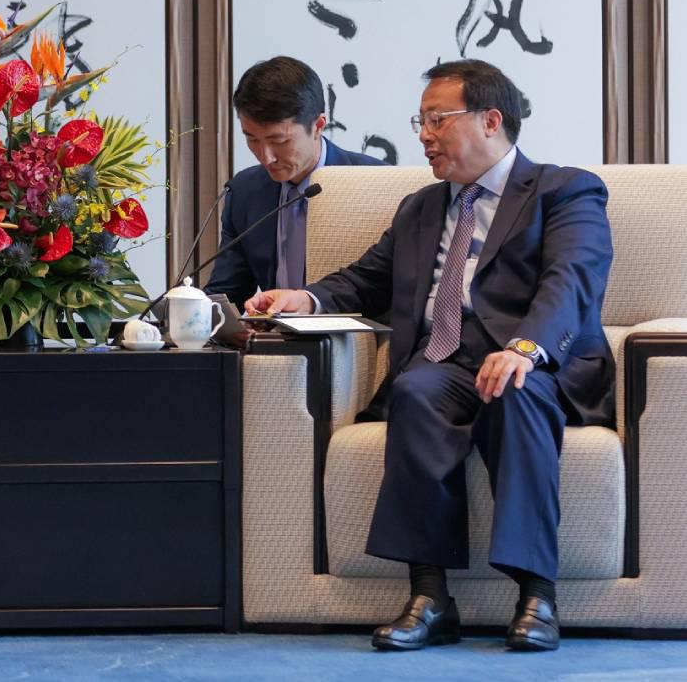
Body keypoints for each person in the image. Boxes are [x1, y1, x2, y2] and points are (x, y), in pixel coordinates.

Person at [247, 59, 614, 653]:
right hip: (445, 365)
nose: (424, 134)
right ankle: (429, 597)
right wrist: (305, 296)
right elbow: (368, 279)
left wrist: (526, 347)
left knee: (513, 392)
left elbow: (573, 280)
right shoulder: (421, 207)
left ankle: (537, 595)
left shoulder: (563, 189)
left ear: (491, 120)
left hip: (532, 365)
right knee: (414, 389)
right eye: (420, 121)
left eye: (437, 119)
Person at [205, 56, 382, 304]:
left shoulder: (375, 184)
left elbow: (386, 290)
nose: (266, 157)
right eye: (252, 139)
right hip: (273, 338)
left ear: (318, 125)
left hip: (350, 338)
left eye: (279, 141)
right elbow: (226, 292)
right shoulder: (244, 191)